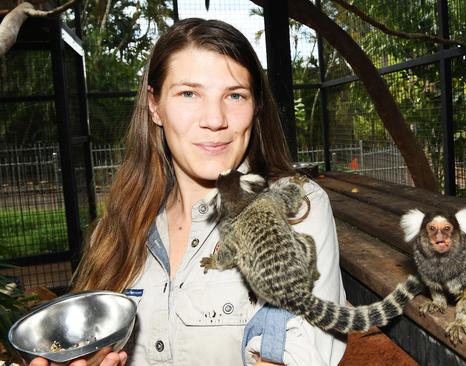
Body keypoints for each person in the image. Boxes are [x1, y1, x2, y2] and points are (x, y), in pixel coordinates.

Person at [30, 18, 347, 366]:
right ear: (155, 106)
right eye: (188, 93)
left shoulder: (295, 207)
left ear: (256, 106)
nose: (214, 119)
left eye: (235, 95)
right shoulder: (118, 229)